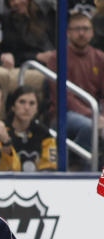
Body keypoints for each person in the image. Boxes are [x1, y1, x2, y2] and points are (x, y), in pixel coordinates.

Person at [43, 11, 104, 169]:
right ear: (68, 32)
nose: (81, 33)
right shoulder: (57, 58)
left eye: (85, 28)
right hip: (63, 115)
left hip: (95, 113)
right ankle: (80, 170)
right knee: (89, 126)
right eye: (77, 29)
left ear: (92, 32)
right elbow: (64, 97)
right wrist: (94, 115)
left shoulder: (100, 58)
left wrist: (101, 116)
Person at [6, 85, 57, 172]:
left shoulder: (44, 134)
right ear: (13, 106)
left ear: (37, 109)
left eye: (32, 103)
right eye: (22, 102)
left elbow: (50, 167)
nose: (27, 108)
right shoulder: (2, 130)